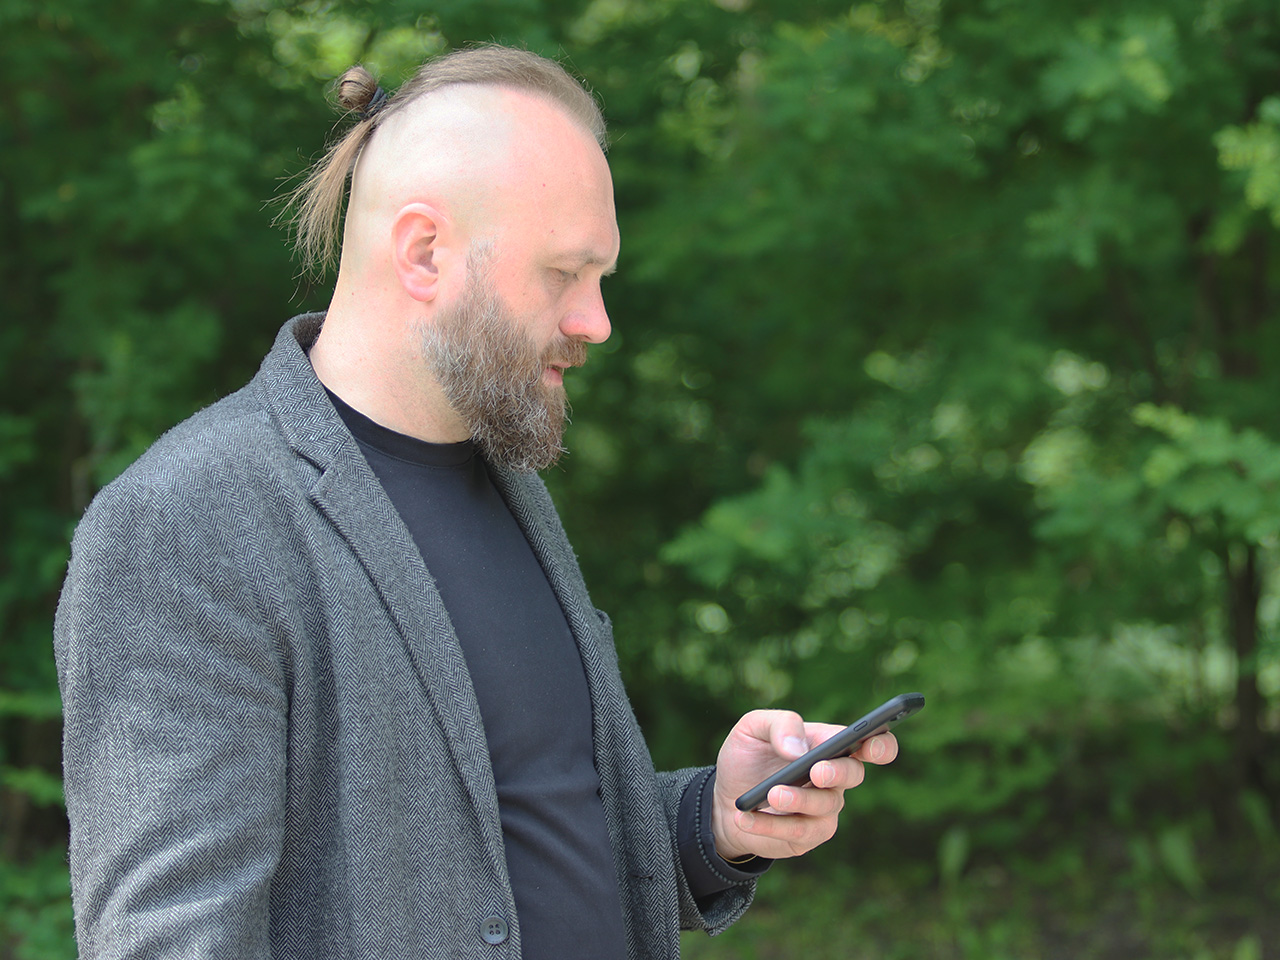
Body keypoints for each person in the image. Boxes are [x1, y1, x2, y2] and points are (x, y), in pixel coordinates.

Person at [53, 45, 899, 959]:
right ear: (424, 253)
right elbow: (170, 940)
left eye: (601, 279)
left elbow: (519, 846)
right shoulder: (185, 524)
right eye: (563, 274)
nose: (596, 322)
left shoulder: (508, 480)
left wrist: (715, 820)